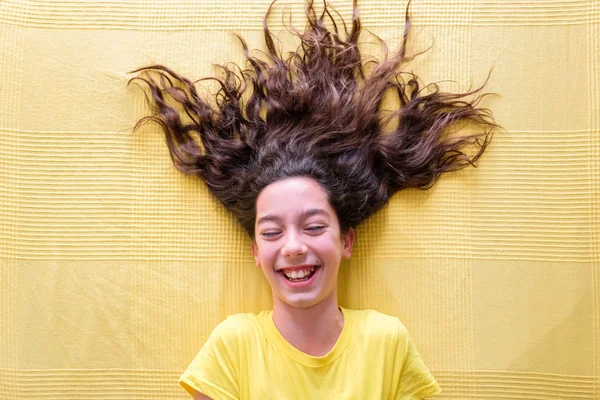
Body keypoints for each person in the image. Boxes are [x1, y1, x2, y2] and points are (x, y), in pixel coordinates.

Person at [130, 0, 499, 398]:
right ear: (256, 251)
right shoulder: (231, 346)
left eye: (314, 226)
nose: (293, 247)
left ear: (346, 240)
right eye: (272, 232)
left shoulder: (386, 341)